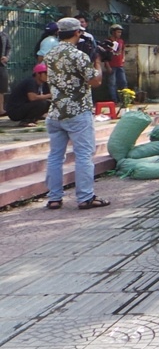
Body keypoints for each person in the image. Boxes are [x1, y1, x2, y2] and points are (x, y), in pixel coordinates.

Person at [42, 17, 109, 210]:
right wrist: (97, 62)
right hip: (77, 112)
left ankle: (54, 198)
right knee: (83, 155)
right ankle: (85, 197)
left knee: (55, 156)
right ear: (77, 32)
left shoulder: (50, 54)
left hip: (55, 112)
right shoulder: (79, 55)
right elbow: (95, 81)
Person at [105, 24, 127, 103]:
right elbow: (105, 55)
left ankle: (125, 99)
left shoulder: (121, 41)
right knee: (112, 83)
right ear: (113, 32)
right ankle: (114, 100)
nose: (119, 34)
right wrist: (107, 66)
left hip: (120, 65)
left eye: (120, 32)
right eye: (118, 32)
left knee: (123, 82)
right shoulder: (108, 42)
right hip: (112, 65)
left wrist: (123, 58)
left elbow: (123, 50)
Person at [0, 23, 10, 118]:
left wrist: (6, 57)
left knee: (1, 88)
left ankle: (1, 109)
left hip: (1, 64)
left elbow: (8, 48)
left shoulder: (4, 35)